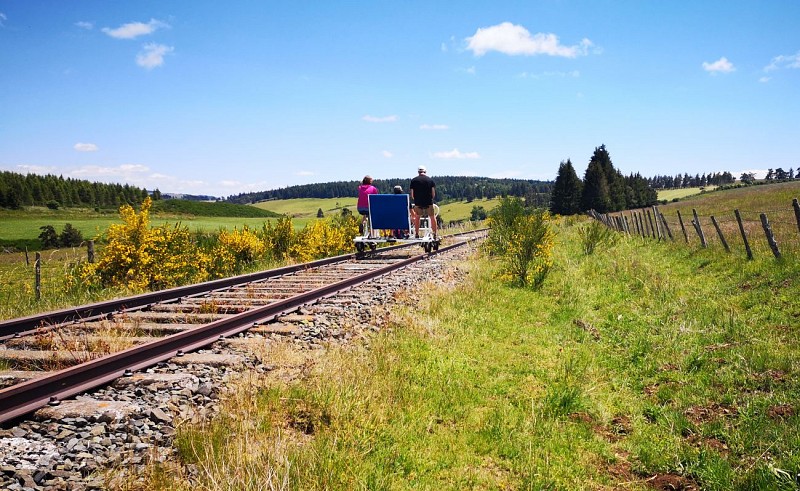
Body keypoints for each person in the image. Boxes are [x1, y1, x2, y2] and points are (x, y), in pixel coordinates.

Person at [409, 165, 437, 239]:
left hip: (418, 203)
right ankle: (435, 234)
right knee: (432, 217)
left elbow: (412, 194)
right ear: (425, 171)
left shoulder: (413, 181)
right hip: (428, 202)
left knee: (417, 217)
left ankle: (417, 234)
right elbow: (433, 194)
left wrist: (416, 199)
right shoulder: (430, 180)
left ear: (418, 172)